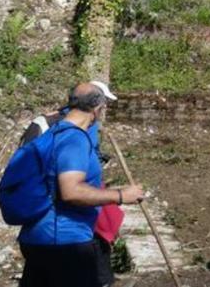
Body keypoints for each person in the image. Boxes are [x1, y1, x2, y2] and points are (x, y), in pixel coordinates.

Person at [17, 83, 145, 287]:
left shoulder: (52, 133)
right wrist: (121, 195)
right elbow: (71, 191)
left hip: (36, 237)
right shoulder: (74, 139)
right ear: (97, 108)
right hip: (65, 241)